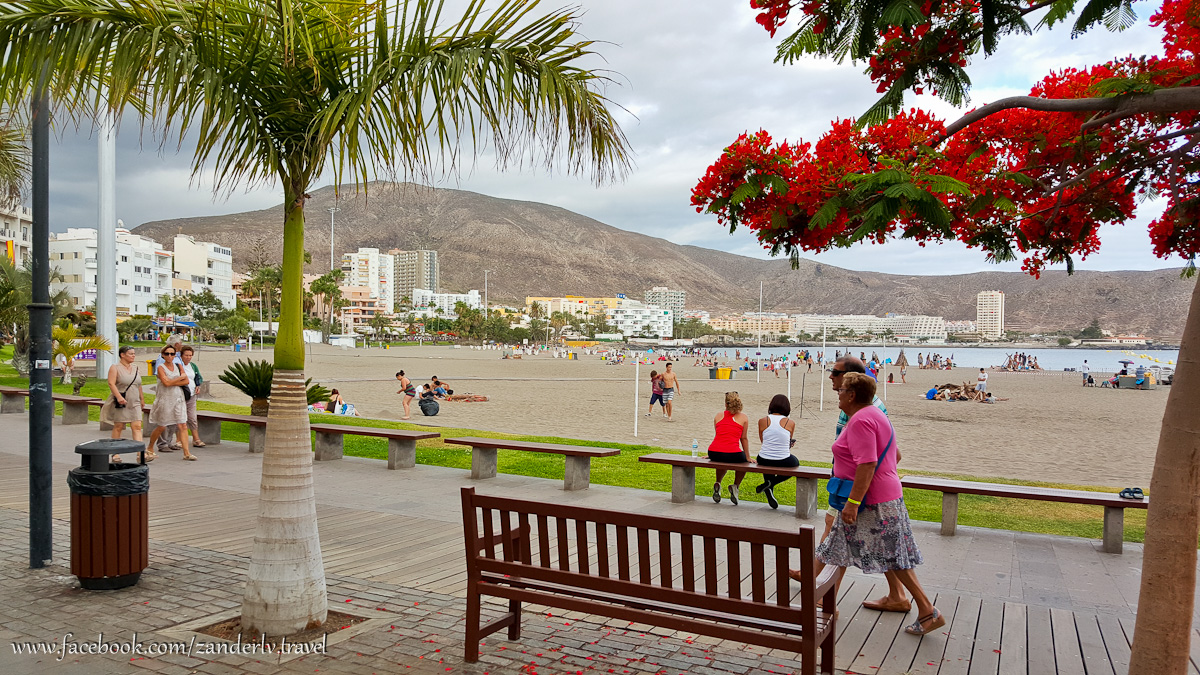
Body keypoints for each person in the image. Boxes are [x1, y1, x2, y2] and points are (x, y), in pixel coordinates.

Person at [810, 373, 942, 635]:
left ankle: (928, 610)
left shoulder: (861, 420)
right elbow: (896, 454)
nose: (838, 393)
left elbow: (868, 463)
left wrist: (853, 502)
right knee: (841, 548)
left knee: (886, 555)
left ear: (852, 395)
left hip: (871, 501)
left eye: (841, 389)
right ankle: (824, 602)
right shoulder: (876, 414)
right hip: (883, 496)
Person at [823, 356, 909, 612]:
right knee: (879, 549)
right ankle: (903, 598)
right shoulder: (864, 410)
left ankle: (823, 597)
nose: (832, 378)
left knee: (841, 545)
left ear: (851, 387)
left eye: (836, 374)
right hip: (858, 490)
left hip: (862, 493)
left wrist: (854, 500)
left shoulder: (864, 415)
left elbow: (870, 461)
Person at [145, 344, 195, 461]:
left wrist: (173, 381)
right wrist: (179, 378)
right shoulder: (160, 367)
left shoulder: (178, 365)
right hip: (165, 399)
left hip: (178, 398)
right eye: (167, 354)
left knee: (182, 424)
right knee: (162, 426)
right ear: (163, 355)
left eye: (172, 354)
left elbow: (186, 381)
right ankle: (150, 447)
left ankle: (187, 453)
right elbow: (166, 383)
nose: (170, 356)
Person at [100, 345, 144, 463]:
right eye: (131, 354)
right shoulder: (115, 368)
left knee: (137, 426)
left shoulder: (135, 368)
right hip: (122, 401)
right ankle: (115, 453)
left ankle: (140, 454)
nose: (133, 356)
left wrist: (142, 399)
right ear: (122, 355)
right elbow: (111, 383)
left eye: (134, 354)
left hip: (135, 401)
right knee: (119, 426)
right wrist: (118, 397)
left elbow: (138, 384)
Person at [755, 394, 798, 509]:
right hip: (782, 459)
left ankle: (769, 486)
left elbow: (763, 441)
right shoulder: (790, 422)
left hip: (763, 458)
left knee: (767, 459)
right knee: (795, 463)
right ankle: (770, 484)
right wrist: (789, 445)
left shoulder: (762, 421)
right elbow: (785, 445)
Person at [708, 391, 750, 504]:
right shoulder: (743, 418)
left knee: (722, 458)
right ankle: (735, 486)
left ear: (726, 404)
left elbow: (719, 435)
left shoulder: (718, 416)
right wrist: (748, 457)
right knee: (744, 463)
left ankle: (718, 482)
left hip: (714, 451)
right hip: (732, 453)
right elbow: (743, 438)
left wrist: (710, 454)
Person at [179, 346, 207, 449]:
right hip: (181, 395)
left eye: (190, 355)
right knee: (181, 418)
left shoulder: (193, 366)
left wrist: (198, 386)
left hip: (191, 394)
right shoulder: (178, 365)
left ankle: (196, 439)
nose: (188, 357)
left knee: (192, 417)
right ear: (181, 355)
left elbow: (198, 377)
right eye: (186, 355)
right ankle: (179, 440)